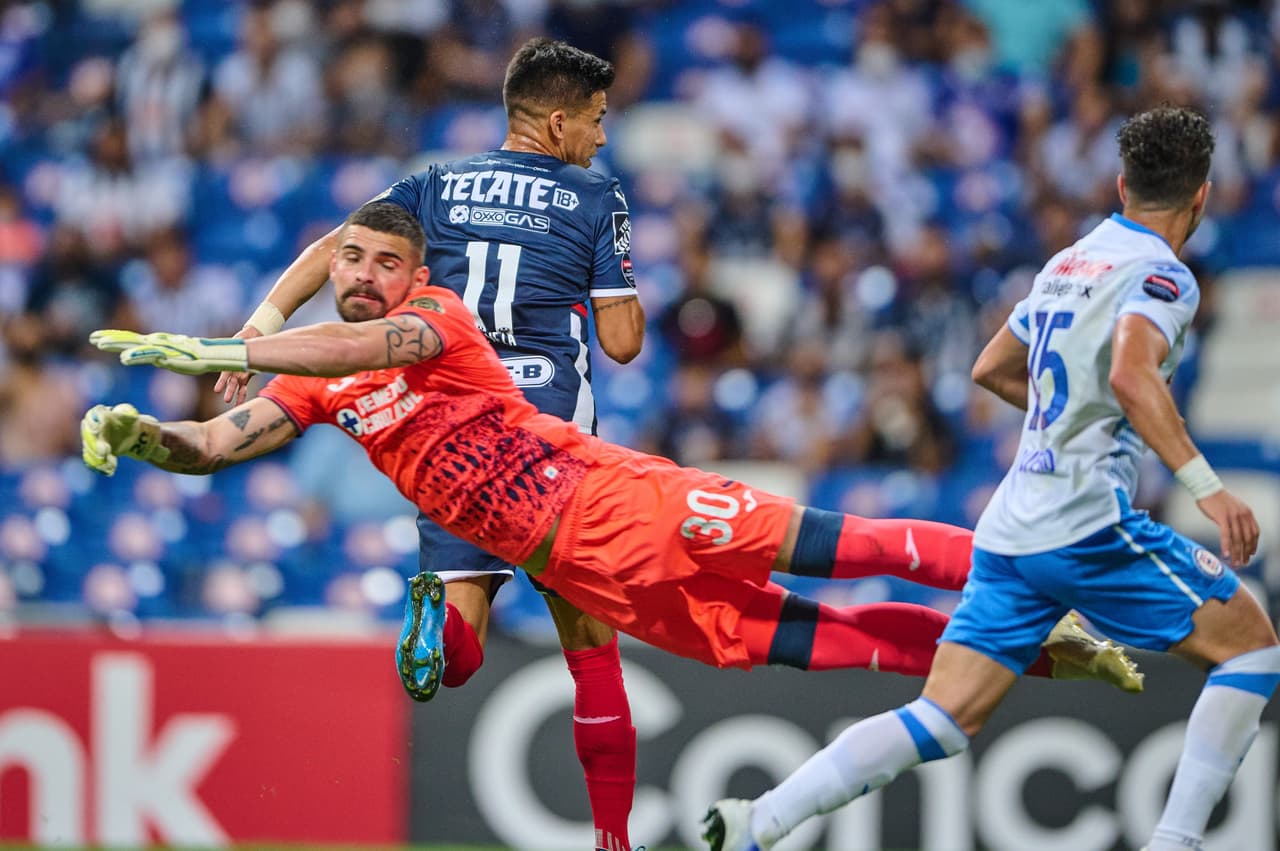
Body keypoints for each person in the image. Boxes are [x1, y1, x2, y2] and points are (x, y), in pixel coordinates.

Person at [86, 202, 1142, 686]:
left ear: (416, 275)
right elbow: (218, 441)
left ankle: (1061, 577)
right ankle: (1046, 655)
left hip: (621, 500)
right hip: (588, 570)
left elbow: (366, 340)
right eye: (347, 257)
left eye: (380, 260)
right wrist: (142, 434)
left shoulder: (436, 322)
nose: (360, 272)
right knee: (838, 641)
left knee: (854, 544)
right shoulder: (326, 389)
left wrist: (246, 335)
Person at [700, 106, 1279, 851]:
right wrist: (1206, 485)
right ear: (1201, 195)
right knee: (1254, 646)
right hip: (1085, 523)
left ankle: (762, 819)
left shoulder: (1071, 259)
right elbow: (1134, 374)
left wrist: (1078, 413)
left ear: (1120, 183)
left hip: (1013, 527)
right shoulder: (1164, 274)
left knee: (943, 717)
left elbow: (990, 368)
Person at [217, 38, 647, 851]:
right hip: (547, 436)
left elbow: (333, 247)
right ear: (558, 122)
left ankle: (437, 623)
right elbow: (622, 342)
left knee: (459, 654)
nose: (601, 135)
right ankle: (612, 840)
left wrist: (260, 327)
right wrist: (616, 278)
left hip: (452, 430)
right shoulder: (596, 194)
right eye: (595, 119)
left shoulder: (436, 183)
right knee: (591, 648)